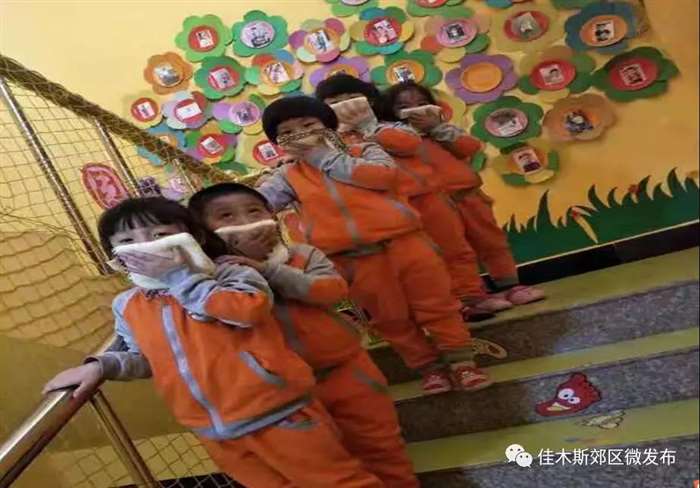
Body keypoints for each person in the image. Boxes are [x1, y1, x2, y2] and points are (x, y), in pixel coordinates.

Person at [42, 197, 383, 488]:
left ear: (195, 237)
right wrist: (101, 366)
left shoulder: (230, 273)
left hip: (279, 413)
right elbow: (143, 357)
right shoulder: (128, 303)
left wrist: (178, 276)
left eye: (159, 235)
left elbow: (247, 311)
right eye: (128, 240)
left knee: (339, 482)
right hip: (213, 431)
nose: (146, 246)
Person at [189, 183, 420, 487]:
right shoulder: (206, 278)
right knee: (327, 467)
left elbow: (332, 291)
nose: (244, 221)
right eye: (226, 216)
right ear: (203, 231)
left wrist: (268, 269)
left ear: (272, 215)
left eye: (254, 211)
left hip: (344, 371)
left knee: (382, 448)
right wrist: (241, 270)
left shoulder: (302, 254)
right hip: (282, 395)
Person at [256, 95, 491, 395]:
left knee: (437, 305)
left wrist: (322, 157)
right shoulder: (287, 174)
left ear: (329, 126)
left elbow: (381, 177)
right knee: (390, 319)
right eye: (287, 132)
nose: (300, 135)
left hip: (406, 244)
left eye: (308, 125)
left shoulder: (364, 149)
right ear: (278, 143)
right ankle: (429, 368)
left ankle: (462, 362)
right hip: (353, 260)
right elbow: (262, 204)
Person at [315, 73, 507, 320]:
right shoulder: (330, 142)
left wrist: (369, 127)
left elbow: (409, 144)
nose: (346, 106)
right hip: (386, 210)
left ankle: (471, 297)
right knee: (419, 262)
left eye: (353, 98)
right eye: (335, 102)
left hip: (427, 198)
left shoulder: (390, 125)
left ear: (371, 100)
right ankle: (446, 307)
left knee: (455, 249)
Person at [378, 81, 546, 305]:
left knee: (492, 242)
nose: (415, 109)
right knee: (454, 251)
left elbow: (470, 147)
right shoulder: (392, 139)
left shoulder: (443, 130)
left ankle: (510, 286)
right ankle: (471, 296)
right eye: (403, 106)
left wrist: (436, 128)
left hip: (467, 195)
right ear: (391, 112)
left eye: (421, 103)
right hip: (432, 204)